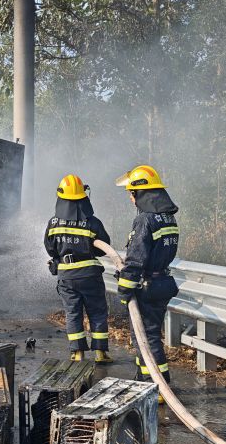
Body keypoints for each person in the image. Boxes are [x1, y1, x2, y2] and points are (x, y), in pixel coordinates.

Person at [115, 165, 179, 401]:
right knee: (148, 335)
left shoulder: (144, 220)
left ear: (142, 193)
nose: (131, 198)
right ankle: (145, 380)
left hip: (147, 286)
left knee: (147, 337)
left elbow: (137, 257)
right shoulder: (167, 217)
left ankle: (159, 388)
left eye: (131, 193)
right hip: (161, 281)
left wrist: (125, 287)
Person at [44, 174, 112, 362]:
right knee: (97, 312)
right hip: (90, 276)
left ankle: (77, 353)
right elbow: (104, 247)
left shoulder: (53, 223)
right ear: (84, 196)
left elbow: (50, 248)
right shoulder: (93, 222)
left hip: (67, 277)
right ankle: (100, 353)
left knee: (73, 313)